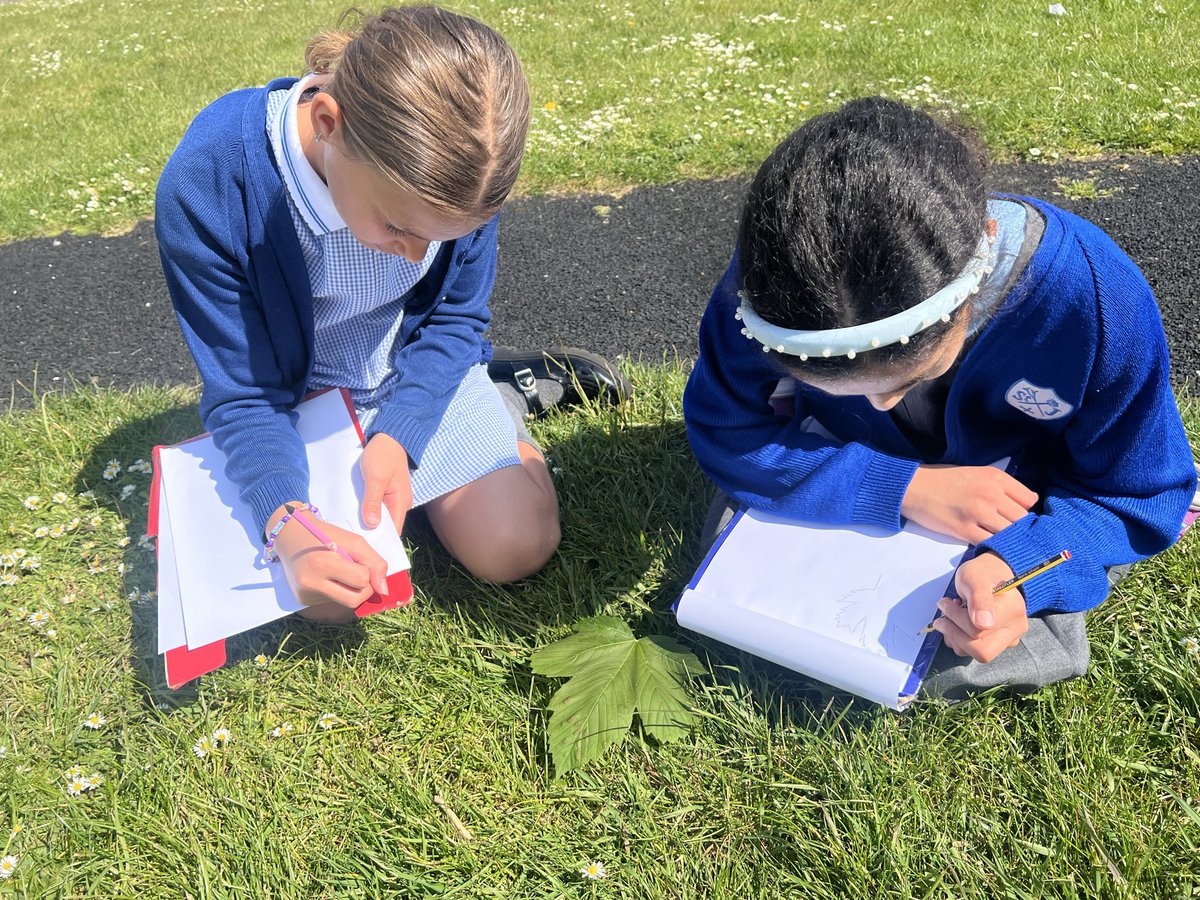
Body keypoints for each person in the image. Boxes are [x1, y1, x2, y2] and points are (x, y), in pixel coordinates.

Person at [683, 97, 1196, 700]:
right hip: (850, 465)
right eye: (833, 388)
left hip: (1016, 495)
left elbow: (1141, 494)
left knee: (989, 636)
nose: (878, 407)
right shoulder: (770, 285)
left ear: (980, 260)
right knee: (737, 574)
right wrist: (904, 488)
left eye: (909, 376)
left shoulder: (1095, 301)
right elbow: (724, 428)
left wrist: (1018, 572)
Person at [155, 5, 629, 623]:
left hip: (408, 370)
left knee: (514, 547)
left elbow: (455, 319)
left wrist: (400, 435)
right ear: (328, 122)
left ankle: (498, 406)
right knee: (327, 602)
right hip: (304, 395)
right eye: (399, 227)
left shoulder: (461, 171)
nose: (417, 254)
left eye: (442, 235)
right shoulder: (210, 184)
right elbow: (246, 392)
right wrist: (286, 521)